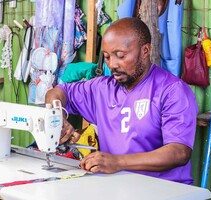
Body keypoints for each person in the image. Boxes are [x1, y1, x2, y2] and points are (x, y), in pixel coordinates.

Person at [45, 17, 198, 185]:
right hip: (118, 187)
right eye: (107, 57)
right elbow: (58, 92)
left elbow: (178, 152)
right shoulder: (102, 89)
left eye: (120, 56)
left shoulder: (172, 91)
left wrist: (118, 162)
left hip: (165, 190)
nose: (112, 65)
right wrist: (57, 113)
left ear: (145, 51)